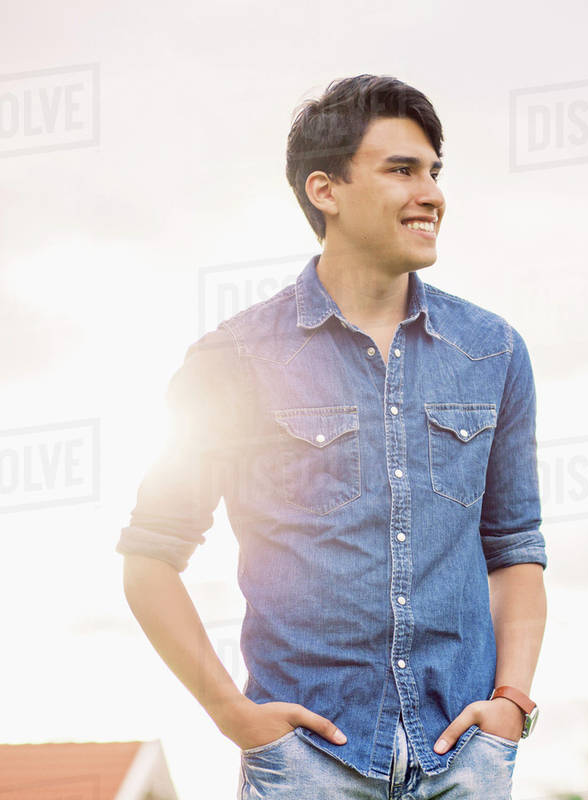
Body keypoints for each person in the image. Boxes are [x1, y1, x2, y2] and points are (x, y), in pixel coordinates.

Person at [117, 74, 548, 798]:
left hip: (465, 763)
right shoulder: (234, 361)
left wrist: (511, 704)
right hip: (308, 769)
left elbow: (515, 551)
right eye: (401, 170)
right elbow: (149, 559)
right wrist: (235, 716)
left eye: (434, 173)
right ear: (326, 190)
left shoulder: (494, 352)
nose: (431, 194)